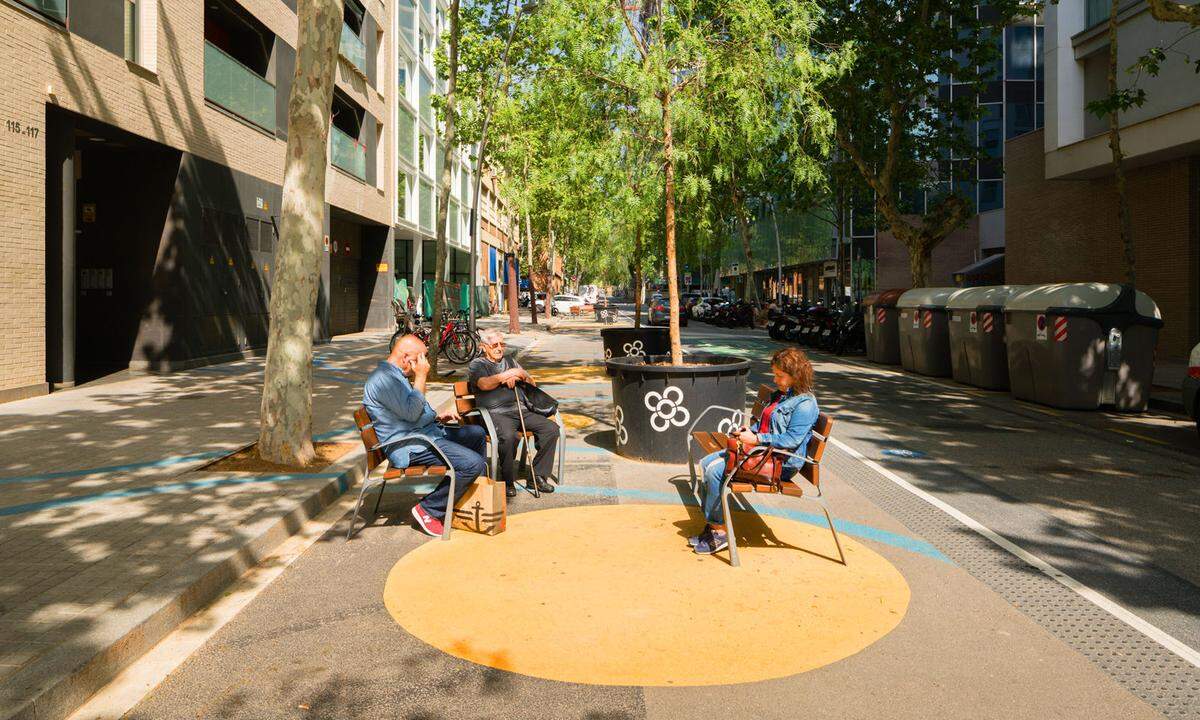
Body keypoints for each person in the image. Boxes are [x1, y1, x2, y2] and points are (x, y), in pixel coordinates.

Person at [691, 347, 820, 555]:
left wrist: (757, 438)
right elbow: (764, 422)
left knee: (715, 472)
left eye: (780, 376)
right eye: (775, 374)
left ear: (796, 376)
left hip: (780, 463)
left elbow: (792, 439)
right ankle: (714, 525)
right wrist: (748, 430)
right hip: (762, 454)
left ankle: (719, 533)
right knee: (706, 463)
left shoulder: (805, 404)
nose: (776, 380)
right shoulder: (783, 395)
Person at [363, 333, 488, 537]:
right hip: (410, 447)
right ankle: (429, 509)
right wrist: (421, 376)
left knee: (476, 434)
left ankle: (469, 500)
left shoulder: (396, 376)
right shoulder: (383, 380)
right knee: (472, 463)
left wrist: (436, 416)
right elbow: (412, 413)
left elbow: (408, 413)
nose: (424, 364)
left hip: (423, 435)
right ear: (405, 358)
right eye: (420, 359)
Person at [467, 328, 559, 498]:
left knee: (551, 429)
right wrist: (507, 375)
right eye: (495, 345)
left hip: (521, 410)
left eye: (502, 344)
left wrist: (520, 374)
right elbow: (484, 385)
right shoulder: (477, 365)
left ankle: (537, 476)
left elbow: (532, 383)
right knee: (509, 437)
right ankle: (507, 480)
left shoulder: (510, 360)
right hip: (495, 413)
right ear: (484, 346)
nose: (499, 348)